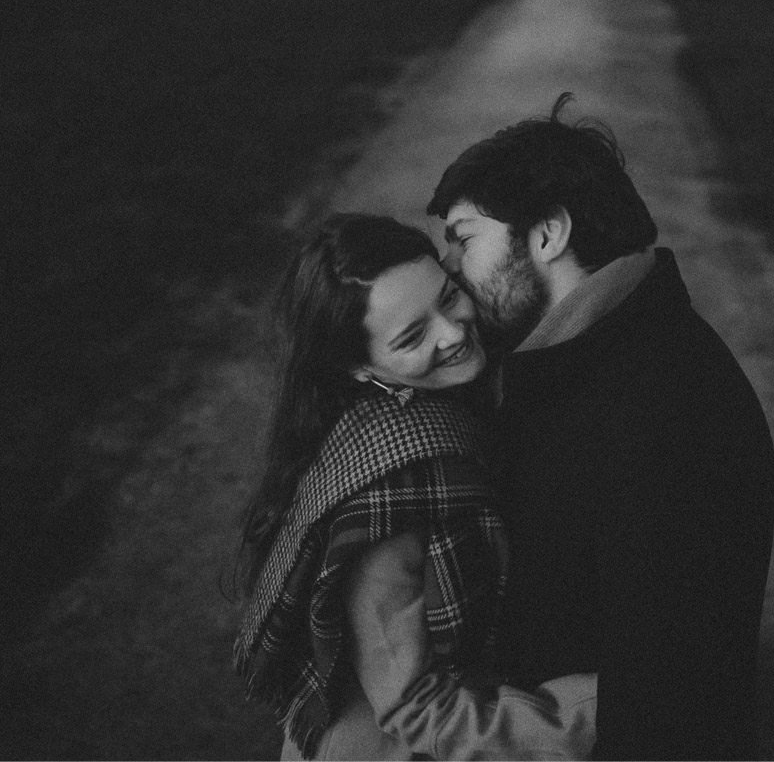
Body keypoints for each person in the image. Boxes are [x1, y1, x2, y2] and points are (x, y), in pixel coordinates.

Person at [425, 94, 774, 760]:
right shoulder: (578, 363)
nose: (449, 271)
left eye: (464, 240)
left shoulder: (667, 416)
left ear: (548, 234)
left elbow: (669, 702)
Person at [232, 213, 595, 760]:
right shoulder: (390, 495)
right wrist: (607, 706)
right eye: (411, 336)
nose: (452, 333)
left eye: (449, 297)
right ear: (358, 368)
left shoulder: (433, 406)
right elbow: (419, 710)